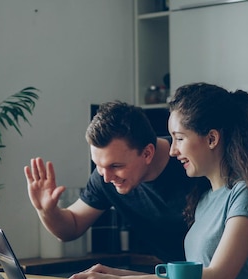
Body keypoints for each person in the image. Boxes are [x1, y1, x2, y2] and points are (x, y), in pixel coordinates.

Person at [58, 82, 248, 279]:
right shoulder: (204, 198)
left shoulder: (243, 195)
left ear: (212, 139)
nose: (173, 150)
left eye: (179, 138)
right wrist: (117, 277)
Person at [24, 101, 196, 263]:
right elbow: (71, 227)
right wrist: (47, 211)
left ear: (147, 154)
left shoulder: (192, 164)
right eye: (98, 165)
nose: (106, 177)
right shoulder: (104, 176)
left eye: (116, 166)